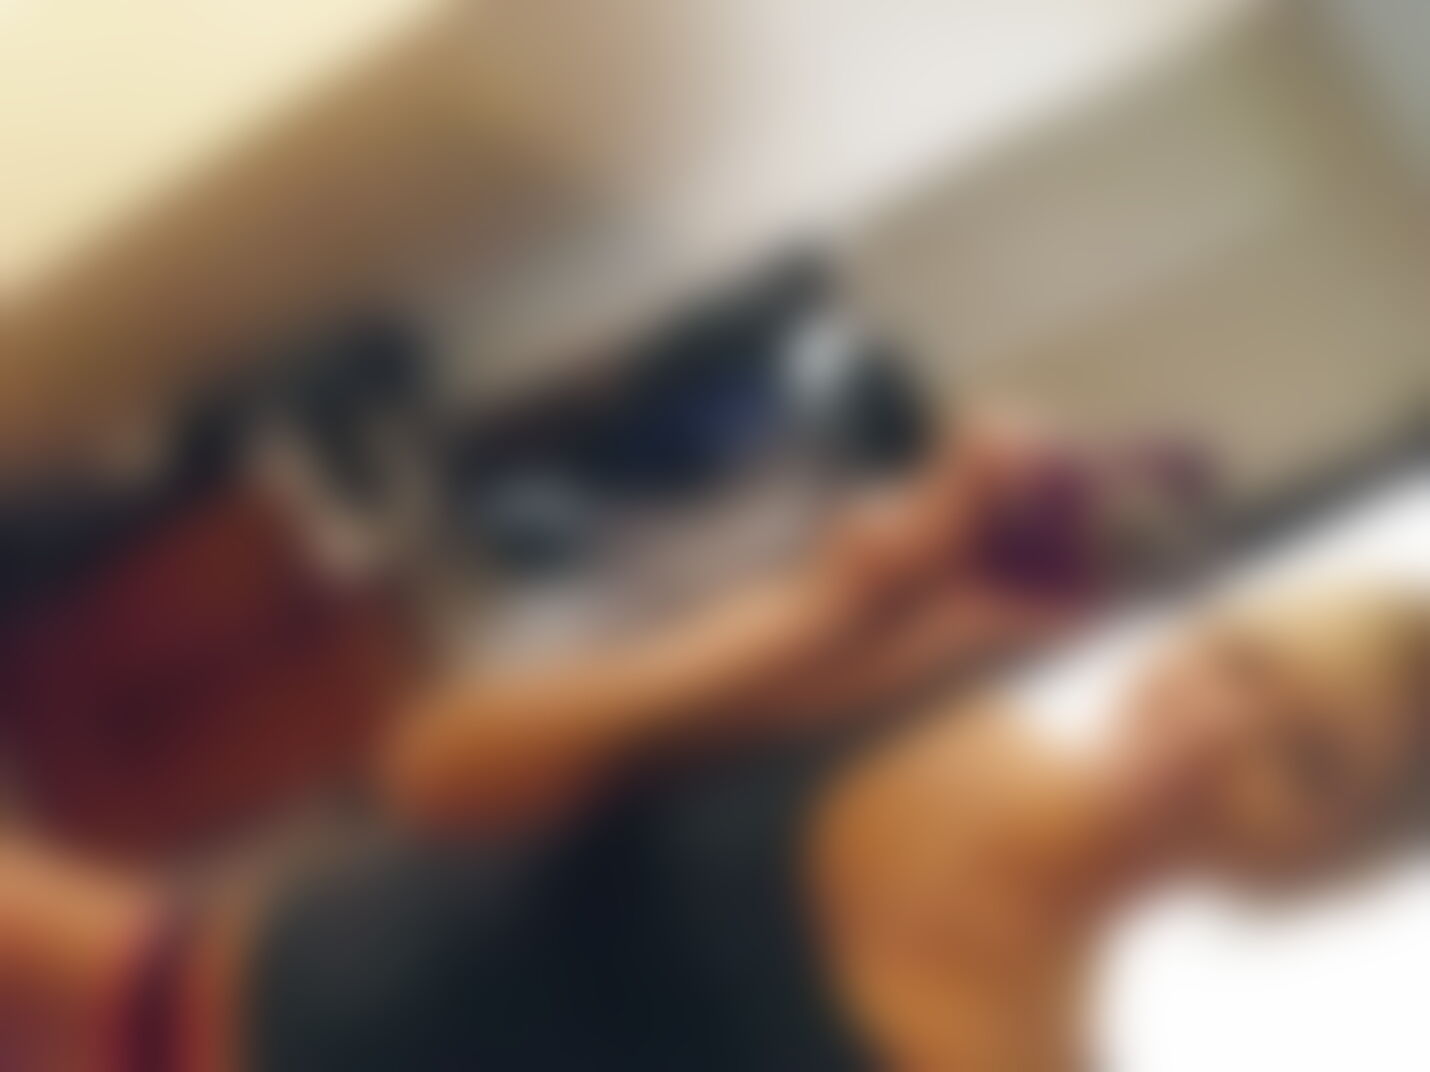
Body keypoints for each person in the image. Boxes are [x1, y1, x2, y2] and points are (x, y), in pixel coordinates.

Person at [0, 420, 1423, 1072]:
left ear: (1312, 872)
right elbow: (443, 770)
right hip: (189, 971)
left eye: (1303, 761)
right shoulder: (925, 683)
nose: (1212, 729)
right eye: (1241, 660)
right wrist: (833, 604)